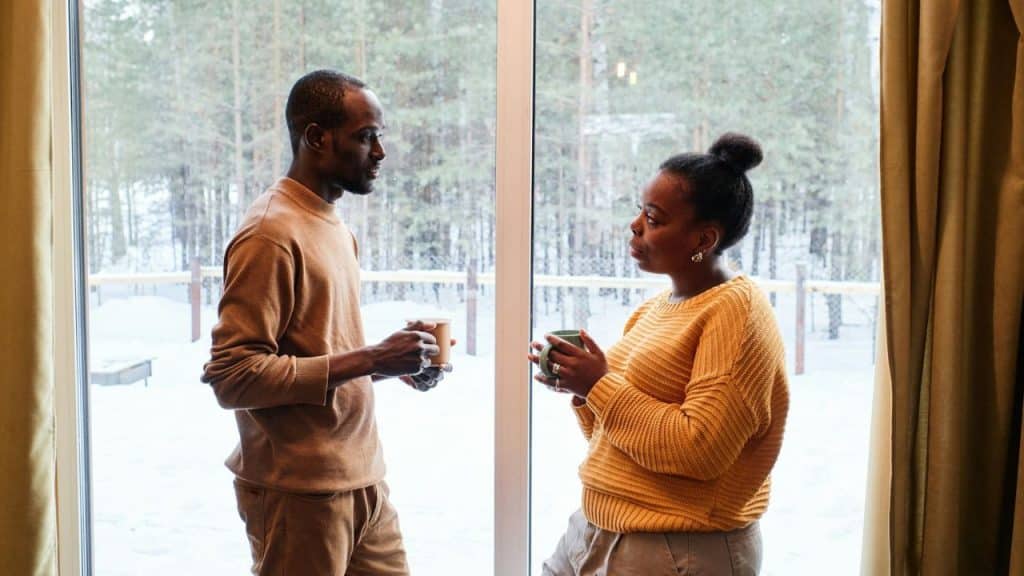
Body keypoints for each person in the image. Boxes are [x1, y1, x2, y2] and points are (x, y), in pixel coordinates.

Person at [202, 69, 449, 576]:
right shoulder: (270, 233)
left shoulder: (334, 227)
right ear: (316, 137)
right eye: (366, 136)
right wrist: (372, 357)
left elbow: (316, 357)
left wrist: (394, 364)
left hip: (363, 482)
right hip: (299, 493)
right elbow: (232, 376)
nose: (379, 152)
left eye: (379, 136)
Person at [529, 133, 789, 575]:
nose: (635, 225)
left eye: (653, 217)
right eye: (640, 210)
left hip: (678, 548)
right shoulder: (654, 310)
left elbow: (700, 450)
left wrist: (599, 385)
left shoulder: (735, 312)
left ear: (703, 238)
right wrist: (583, 388)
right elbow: (618, 441)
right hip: (596, 530)